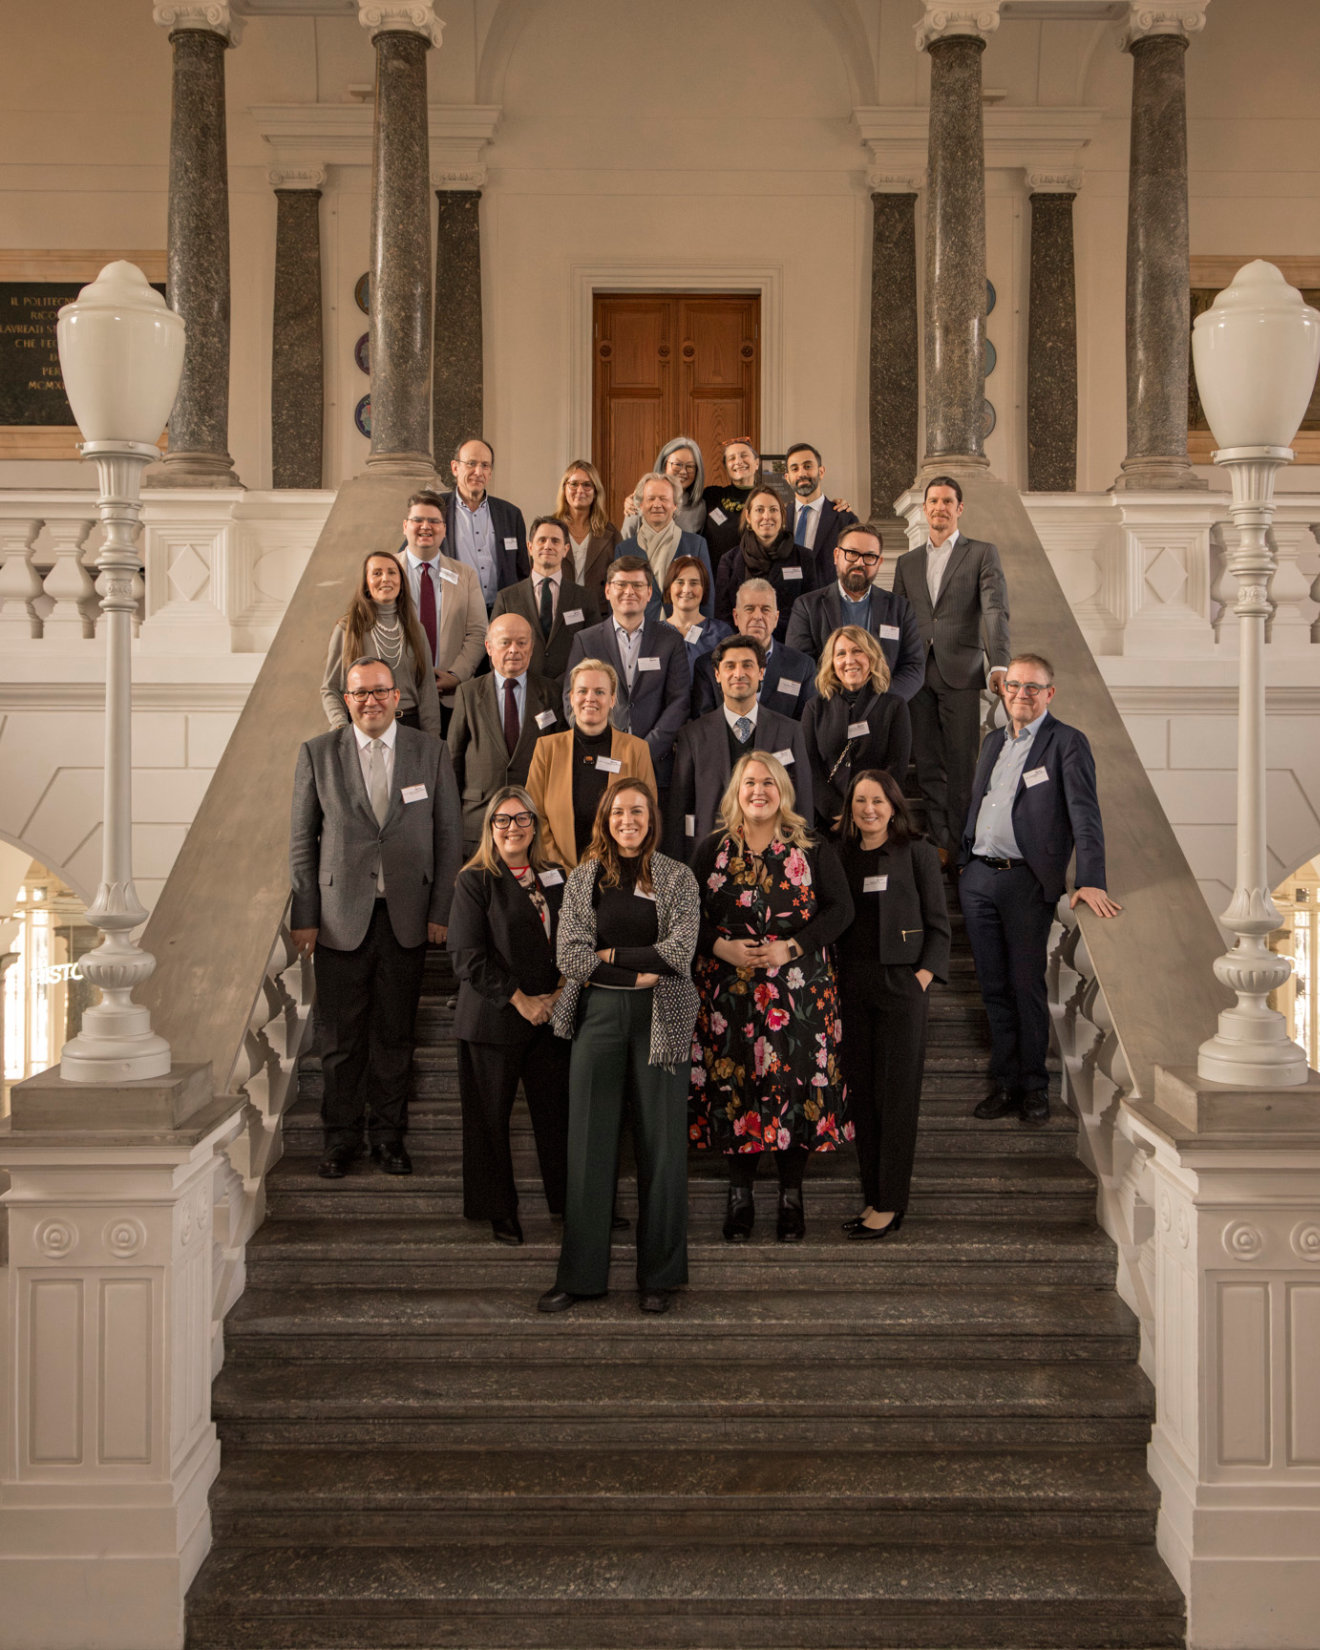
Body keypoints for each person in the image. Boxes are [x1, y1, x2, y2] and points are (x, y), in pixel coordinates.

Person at [289, 656, 462, 1180]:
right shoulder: (318, 754)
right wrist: (305, 915)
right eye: (359, 692)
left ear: (398, 698)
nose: (370, 701)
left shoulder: (429, 752)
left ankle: (388, 1136)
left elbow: (449, 838)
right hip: (340, 921)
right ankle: (340, 1138)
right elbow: (301, 843)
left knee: (393, 1036)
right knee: (340, 1041)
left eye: (379, 691)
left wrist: (442, 911)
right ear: (347, 700)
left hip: (407, 917)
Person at [539, 778, 700, 1315]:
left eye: (638, 812)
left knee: (663, 1148)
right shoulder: (585, 878)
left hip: (665, 1018)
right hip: (600, 1018)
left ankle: (660, 1276)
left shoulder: (677, 877)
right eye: (618, 812)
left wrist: (611, 957)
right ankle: (580, 1276)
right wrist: (633, 971)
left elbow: (679, 953)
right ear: (605, 819)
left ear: (652, 818)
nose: (627, 820)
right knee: (588, 1145)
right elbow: (572, 955)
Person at [690, 752, 852, 1243]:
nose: (758, 791)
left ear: (783, 791)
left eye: (768, 783)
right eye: (749, 783)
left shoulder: (812, 848)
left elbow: (840, 910)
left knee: (794, 1090)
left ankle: (790, 1194)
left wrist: (791, 947)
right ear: (735, 792)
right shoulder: (711, 849)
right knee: (735, 1086)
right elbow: (682, 916)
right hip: (728, 995)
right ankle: (739, 1194)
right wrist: (721, 947)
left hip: (799, 993)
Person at [959, 653, 1121, 1125]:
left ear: (1049, 693)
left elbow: (1085, 816)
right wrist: (966, 860)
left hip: (1026, 881)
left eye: (1033, 687)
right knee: (992, 988)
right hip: (979, 880)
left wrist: (1090, 879)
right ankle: (1004, 1083)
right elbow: (980, 800)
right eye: (1014, 686)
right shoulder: (993, 742)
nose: (1022, 695)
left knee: (1026, 986)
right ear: (1003, 690)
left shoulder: (1066, 743)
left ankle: (1034, 1087)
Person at [446, 786, 570, 1245]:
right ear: (490, 828)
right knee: (489, 1122)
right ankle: (499, 1211)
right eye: (503, 820)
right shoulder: (473, 880)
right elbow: (466, 957)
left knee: (559, 1118)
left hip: (551, 1018)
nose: (513, 828)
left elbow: (575, 939)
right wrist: (522, 1000)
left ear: (535, 827)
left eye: (522, 819)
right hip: (494, 1020)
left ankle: (569, 1204)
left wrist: (558, 994)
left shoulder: (555, 876)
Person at [835, 769, 950, 1241]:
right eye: (861, 801)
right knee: (862, 1093)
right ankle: (872, 1196)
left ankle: (891, 1203)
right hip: (851, 987)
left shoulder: (917, 853)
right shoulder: (838, 856)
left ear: (894, 805)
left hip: (903, 985)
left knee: (897, 1095)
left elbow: (940, 926)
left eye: (878, 801)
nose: (869, 810)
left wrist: (922, 977)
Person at [892, 475, 1011, 858]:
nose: (939, 507)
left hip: (961, 669)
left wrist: (1000, 664)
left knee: (962, 764)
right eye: (933, 501)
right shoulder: (908, 562)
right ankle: (942, 841)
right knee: (927, 762)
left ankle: (963, 843)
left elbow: (995, 610)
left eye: (947, 501)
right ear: (924, 509)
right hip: (916, 673)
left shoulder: (981, 553)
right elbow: (897, 619)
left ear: (959, 509)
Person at [664, 635, 812, 861]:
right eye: (730, 666)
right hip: (709, 858)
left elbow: (802, 803)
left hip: (776, 859)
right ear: (717, 675)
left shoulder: (790, 732)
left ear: (761, 672)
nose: (739, 673)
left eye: (747, 665)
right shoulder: (692, 735)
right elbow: (678, 810)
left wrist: (802, 859)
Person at [565, 556, 690, 788]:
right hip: (600, 763)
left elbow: (679, 701)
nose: (629, 591)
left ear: (649, 592)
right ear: (607, 591)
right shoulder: (586, 640)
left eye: (637, 585)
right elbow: (570, 698)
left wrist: (644, 751)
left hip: (656, 763)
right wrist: (599, 745)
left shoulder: (670, 640)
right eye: (621, 584)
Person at [446, 612, 564, 851]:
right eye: (505, 642)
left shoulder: (551, 693)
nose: (514, 650)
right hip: (478, 823)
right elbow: (453, 762)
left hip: (534, 821)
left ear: (531, 648)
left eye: (522, 643)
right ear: (489, 647)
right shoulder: (468, 694)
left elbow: (560, 759)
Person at [527, 658, 656, 868]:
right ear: (571, 697)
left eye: (599, 692)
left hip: (618, 870)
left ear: (612, 699)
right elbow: (534, 814)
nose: (590, 698)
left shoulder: (636, 750)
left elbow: (647, 815)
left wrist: (615, 862)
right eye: (582, 691)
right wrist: (561, 867)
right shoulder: (546, 749)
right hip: (558, 871)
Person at [784, 524, 924, 702]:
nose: (860, 562)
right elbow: (800, 665)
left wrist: (881, 704)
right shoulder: (807, 607)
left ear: (879, 562)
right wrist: (841, 705)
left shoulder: (900, 608)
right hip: (828, 713)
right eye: (852, 553)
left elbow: (914, 667)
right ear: (836, 556)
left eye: (869, 556)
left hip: (883, 715)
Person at [802, 627, 913, 831]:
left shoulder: (895, 706)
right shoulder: (814, 708)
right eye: (841, 654)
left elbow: (896, 766)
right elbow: (810, 767)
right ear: (832, 663)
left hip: (878, 821)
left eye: (857, 651)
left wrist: (868, 810)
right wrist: (836, 812)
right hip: (829, 823)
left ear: (871, 657)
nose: (849, 660)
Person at [320, 551, 441, 734]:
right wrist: (341, 727)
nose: (386, 578)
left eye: (392, 572)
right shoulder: (347, 629)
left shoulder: (416, 629)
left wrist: (432, 739)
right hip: (363, 727)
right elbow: (331, 689)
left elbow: (427, 691)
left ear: (401, 581)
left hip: (410, 727)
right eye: (377, 573)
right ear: (366, 584)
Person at [396, 489, 487, 720]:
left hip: (450, 700)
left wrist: (455, 676)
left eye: (434, 521)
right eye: (418, 520)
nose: (426, 526)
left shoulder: (465, 575)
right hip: (398, 697)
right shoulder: (385, 572)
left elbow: (478, 633)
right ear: (405, 526)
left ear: (444, 530)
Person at [491, 515, 601, 689]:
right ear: (530, 547)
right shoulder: (507, 598)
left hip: (570, 690)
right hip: (521, 690)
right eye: (541, 540)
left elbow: (593, 649)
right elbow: (495, 649)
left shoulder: (585, 598)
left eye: (555, 541)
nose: (548, 546)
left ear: (565, 550)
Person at [691, 578, 817, 721]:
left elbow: (806, 726)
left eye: (765, 609)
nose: (757, 616)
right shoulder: (707, 665)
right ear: (736, 617)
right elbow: (704, 726)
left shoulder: (802, 666)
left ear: (776, 619)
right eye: (749, 609)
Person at [713, 485, 820, 639]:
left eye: (773, 510)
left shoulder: (804, 558)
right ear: (748, 517)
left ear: (782, 516)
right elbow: (723, 616)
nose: (767, 516)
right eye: (759, 510)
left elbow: (811, 612)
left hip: (791, 646)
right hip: (742, 649)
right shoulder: (730, 561)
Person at [612, 472, 713, 622]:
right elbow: (615, 600)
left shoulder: (696, 544)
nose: (657, 504)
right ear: (640, 505)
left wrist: (702, 634)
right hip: (638, 632)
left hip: (684, 631)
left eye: (664, 499)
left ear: (675, 505)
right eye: (651, 499)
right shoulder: (624, 549)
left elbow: (707, 597)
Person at [444, 437, 529, 610]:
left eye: (485, 465)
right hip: (453, 613)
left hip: (501, 614)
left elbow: (523, 574)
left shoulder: (511, 514)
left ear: (490, 473)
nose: (478, 471)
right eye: (471, 463)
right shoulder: (436, 509)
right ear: (455, 468)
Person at [783, 442, 858, 567]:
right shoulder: (779, 517)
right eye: (795, 469)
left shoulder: (845, 519)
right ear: (787, 478)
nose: (802, 474)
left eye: (807, 466)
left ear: (821, 472)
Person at [554, 459, 620, 598]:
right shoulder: (550, 528)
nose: (580, 490)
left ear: (595, 491)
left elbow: (620, 576)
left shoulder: (610, 532)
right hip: (558, 610)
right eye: (573, 484)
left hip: (598, 612)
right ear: (564, 488)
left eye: (587, 485)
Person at [621, 436, 707, 537]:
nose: (683, 472)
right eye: (677, 464)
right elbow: (625, 540)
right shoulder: (641, 497)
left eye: (690, 466)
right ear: (664, 465)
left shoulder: (699, 508)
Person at [661, 554, 731, 673]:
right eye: (680, 582)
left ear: (704, 589)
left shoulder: (721, 633)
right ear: (669, 587)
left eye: (694, 583)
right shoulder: (653, 633)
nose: (687, 589)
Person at [701, 437, 761, 565]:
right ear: (726, 467)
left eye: (744, 456)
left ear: (756, 463)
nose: (738, 461)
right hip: (714, 579)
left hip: (752, 579)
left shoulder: (766, 499)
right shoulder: (711, 495)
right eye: (731, 458)